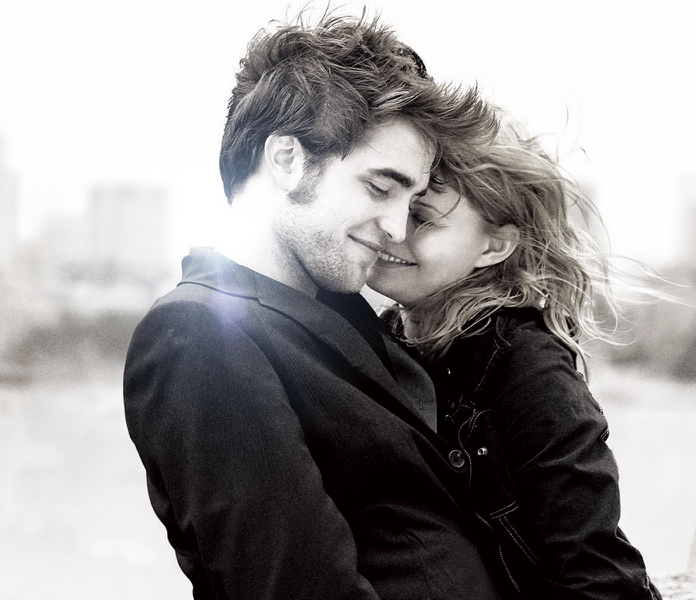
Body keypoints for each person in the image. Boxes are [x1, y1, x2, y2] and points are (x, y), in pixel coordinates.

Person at [124, 12, 505, 600]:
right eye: (380, 188)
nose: (397, 227)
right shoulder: (198, 333)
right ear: (287, 161)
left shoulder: (341, 308)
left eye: (411, 202)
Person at [366, 115, 662, 599]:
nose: (393, 228)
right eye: (388, 198)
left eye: (423, 217)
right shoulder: (380, 341)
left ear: (495, 246)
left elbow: (592, 565)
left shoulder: (526, 363)